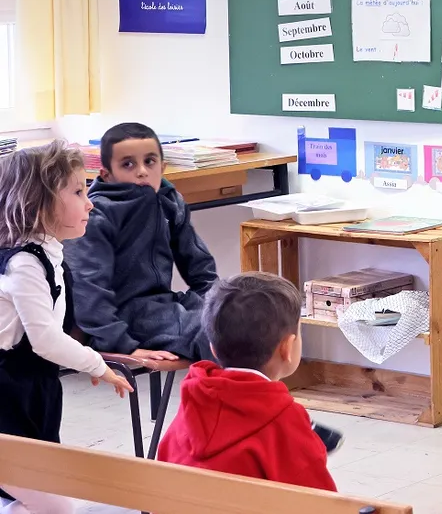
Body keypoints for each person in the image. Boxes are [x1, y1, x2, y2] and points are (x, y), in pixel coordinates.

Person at [0, 142, 132, 514]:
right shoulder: (25, 262)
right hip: (9, 394)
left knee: (33, 497)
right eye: (77, 191)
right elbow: (44, 338)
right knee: (55, 505)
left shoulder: (48, 252)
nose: (90, 202)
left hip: (34, 389)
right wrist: (96, 364)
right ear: (39, 203)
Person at [157, 272, 337, 491]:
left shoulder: (192, 404)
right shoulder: (285, 419)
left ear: (212, 348)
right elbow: (320, 501)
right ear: (287, 348)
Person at [65, 123, 216, 362]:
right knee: (216, 337)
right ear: (106, 174)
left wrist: (216, 307)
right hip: (122, 317)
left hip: (164, 305)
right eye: (128, 164)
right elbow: (88, 288)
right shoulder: (96, 215)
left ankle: (262, 397)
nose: (142, 171)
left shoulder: (170, 202)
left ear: (162, 167)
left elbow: (200, 266)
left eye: (150, 161)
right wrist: (121, 344)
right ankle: (227, 397)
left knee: (238, 323)